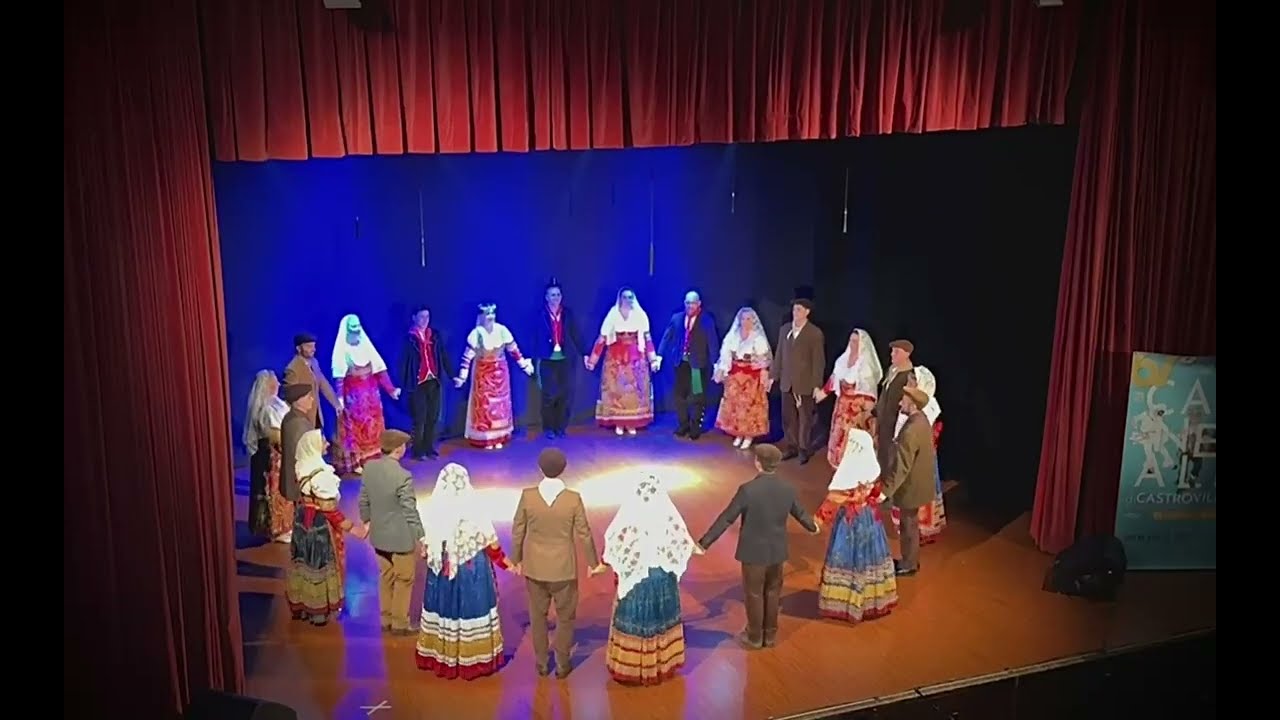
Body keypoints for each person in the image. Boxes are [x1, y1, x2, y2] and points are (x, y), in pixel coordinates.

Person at [696, 444, 819, 648]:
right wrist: (812, 527)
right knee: (773, 592)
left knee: (754, 593)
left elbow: (727, 518)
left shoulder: (748, 490)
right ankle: (770, 635)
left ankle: (754, 636)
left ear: (758, 463)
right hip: (777, 551)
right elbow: (800, 513)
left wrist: (704, 543)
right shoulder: (787, 488)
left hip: (753, 552)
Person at [510, 448, 604, 678]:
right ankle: (562, 663)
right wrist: (594, 563)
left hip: (535, 567)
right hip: (563, 569)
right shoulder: (573, 498)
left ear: (540, 468)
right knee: (565, 617)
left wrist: (516, 559)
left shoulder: (528, 496)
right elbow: (584, 533)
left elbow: (518, 529)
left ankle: (542, 662)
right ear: (564, 469)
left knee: (537, 617)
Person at [416, 463, 516, 679]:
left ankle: (443, 655)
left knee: (444, 609)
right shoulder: (474, 510)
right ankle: (473, 658)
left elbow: (425, 546)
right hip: (472, 571)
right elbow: (491, 542)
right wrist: (507, 564)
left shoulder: (434, 510)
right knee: (472, 607)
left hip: (442, 572)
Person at [602, 473, 702, 685]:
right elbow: (683, 543)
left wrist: (604, 566)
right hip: (662, 580)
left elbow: (614, 546)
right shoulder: (667, 516)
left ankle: (634, 667)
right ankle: (661, 663)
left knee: (636, 622)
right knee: (661, 620)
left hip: (637, 583)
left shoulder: (628, 517)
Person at [816, 426, 898, 623]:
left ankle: (846, 601)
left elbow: (832, 502)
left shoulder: (847, 473)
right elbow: (876, 493)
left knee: (847, 557)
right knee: (871, 557)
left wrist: (816, 522)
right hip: (869, 519)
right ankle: (871, 601)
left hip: (849, 522)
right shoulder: (872, 469)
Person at [286, 429, 368, 626]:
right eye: (323, 441)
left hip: (302, 522)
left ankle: (302, 605)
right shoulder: (321, 475)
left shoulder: (302, 466)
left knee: (304, 561)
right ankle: (318, 610)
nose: (327, 444)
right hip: (319, 527)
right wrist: (354, 529)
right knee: (319, 564)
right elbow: (330, 511)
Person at [359, 429, 425, 635]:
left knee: (386, 576)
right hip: (400, 539)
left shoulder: (369, 468)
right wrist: (421, 535)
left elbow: (363, 499)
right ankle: (399, 624)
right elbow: (409, 509)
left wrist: (367, 521)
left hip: (379, 536)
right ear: (399, 449)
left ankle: (385, 619)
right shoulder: (403, 476)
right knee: (404, 579)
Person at [453, 303, 535, 449]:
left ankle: (499, 437)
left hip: (500, 373)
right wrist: (462, 377)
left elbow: (514, 350)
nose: (490, 317)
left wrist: (524, 365)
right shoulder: (477, 334)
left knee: (500, 405)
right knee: (485, 405)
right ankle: (486, 438)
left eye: (492, 314)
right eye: (487, 314)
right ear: (481, 317)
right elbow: (467, 358)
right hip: (483, 374)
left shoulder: (502, 330)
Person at [585, 287, 661, 436]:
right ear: (620, 299)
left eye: (630, 297)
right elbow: (602, 339)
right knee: (616, 391)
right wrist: (593, 360)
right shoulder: (613, 315)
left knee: (634, 392)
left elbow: (647, 339)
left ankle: (631, 423)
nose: (627, 300)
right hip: (616, 359)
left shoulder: (640, 315)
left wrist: (653, 360)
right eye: (625, 297)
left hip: (635, 359)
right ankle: (619, 423)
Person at [332, 314, 401, 474]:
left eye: (357, 329)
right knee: (355, 431)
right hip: (354, 401)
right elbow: (339, 379)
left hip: (372, 399)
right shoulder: (343, 351)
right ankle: (357, 461)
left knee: (374, 429)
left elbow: (380, 371)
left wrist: (391, 390)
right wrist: (339, 399)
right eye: (352, 329)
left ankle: (375, 459)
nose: (356, 332)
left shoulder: (367, 347)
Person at [882, 386, 936, 577]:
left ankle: (908, 564)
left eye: (903, 400)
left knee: (908, 526)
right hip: (918, 483)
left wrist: (886, 491)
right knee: (910, 524)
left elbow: (902, 466)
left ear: (912, 404)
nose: (900, 403)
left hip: (912, 487)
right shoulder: (921, 420)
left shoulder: (911, 430)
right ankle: (909, 560)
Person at [890, 366, 947, 544]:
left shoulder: (929, 408)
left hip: (920, 458)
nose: (908, 386)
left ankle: (921, 531)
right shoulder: (909, 403)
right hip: (909, 453)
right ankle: (909, 532)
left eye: (912, 383)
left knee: (917, 492)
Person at [815, 329, 883, 468]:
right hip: (842, 407)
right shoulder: (843, 360)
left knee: (852, 439)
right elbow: (834, 380)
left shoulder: (865, 366)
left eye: (856, 341)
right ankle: (838, 465)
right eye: (851, 341)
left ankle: (853, 468)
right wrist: (822, 393)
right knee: (839, 435)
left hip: (857, 411)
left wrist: (864, 411)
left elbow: (869, 391)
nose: (853, 344)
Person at [657, 290, 720, 440]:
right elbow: (667, 337)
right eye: (687, 303)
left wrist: (716, 364)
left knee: (697, 395)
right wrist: (659, 355)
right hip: (680, 363)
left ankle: (695, 426)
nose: (690, 306)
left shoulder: (707, 320)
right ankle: (683, 424)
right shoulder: (677, 318)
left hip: (697, 365)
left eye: (693, 303)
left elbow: (712, 343)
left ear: (699, 304)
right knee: (679, 395)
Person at [770, 299, 826, 464]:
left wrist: (816, 385)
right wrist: (774, 375)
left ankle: (803, 448)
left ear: (807, 312)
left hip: (804, 383)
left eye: (799, 310)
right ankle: (791, 446)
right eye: (794, 309)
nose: (795, 313)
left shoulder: (814, 333)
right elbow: (779, 354)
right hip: (787, 382)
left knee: (805, 419)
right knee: (788, 418)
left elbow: (818, 361)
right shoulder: (785, 329)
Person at [531, 279, 588, 439]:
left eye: (557, 295)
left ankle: (560, 427)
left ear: (561, 297)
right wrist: (530, 357)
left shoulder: (567, 314)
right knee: (549, 395)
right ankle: (548, 428)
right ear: (546, 297)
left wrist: (584, 352)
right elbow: (533, 337)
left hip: (565, 359)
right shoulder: (540, 314)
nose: (555, 298)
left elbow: (576, 333)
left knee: (565, 394)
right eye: (552, 295)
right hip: (547, 359)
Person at [713, 307, 772, 449]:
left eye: (749, 319)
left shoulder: (758, 338)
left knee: (749, 406)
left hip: (751, 378)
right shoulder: (733, 336)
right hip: (734, 377)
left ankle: (748, 435)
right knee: (735, 406)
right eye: (743, 319)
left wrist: (762, 375)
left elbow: (764, 360)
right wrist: (722, 370)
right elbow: (725, 356)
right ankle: (738, 433)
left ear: (753, 321)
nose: (746, 322)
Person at [243, 370, 292, 541]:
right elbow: (274, 436)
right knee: (274, 492)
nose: (278, 384)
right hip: (273, 458)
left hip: (280, 455)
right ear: (269, 386)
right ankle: (276, 528)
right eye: (275, 382)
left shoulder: (278, 405)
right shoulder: (267, 410)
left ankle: (285, 525)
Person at [399, 306, 452, 460]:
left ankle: (429, 447)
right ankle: (418, 450)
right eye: (421, 317)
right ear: (414, 318)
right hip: (418, 383)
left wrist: (452, 374)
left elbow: (443, 356)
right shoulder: (409, 339)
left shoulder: (434, 336)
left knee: (432, 417)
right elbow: (403, 363)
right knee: (419, 418)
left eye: (427, 317)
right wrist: (402, 384)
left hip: (433, 381)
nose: (425, 320)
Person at [279, 383, 318, 533]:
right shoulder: (298, 423)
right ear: (298, 400)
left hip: (297, 479)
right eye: (308, 397)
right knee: (306, 520)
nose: (312, 400)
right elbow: (305, 451)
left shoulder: (293, 418)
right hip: (301, 481)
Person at [283, 332, 341, 429]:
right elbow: (290, 396)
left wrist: (336, 404)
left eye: (314, 346)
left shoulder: (314, 362)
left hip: (316, 415)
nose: (313, 349)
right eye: (309, 346)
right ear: (298, 348)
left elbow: (323, 384)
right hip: (303, 419)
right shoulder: (292, 369)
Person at [874, 339, 914, 472]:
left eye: (896, 352)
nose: (892, 354)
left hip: (893, 422)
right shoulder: (892, 371)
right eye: (892, 351)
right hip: (884, 420)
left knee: (890, 456)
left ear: (907, 354)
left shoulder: (908, 376)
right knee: (881, 452)